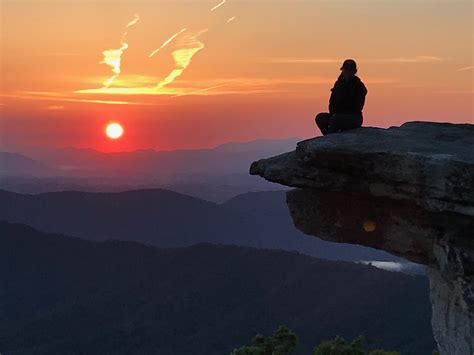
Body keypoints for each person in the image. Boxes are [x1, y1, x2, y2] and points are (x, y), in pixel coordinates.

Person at [315, 59, 368, 135]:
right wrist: (333, 112)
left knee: (336, 119)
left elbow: (357, 107)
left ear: (354, 71)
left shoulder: (359, 86)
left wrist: (340, 112)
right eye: (345, 70)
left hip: (354, 118)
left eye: (350, 70)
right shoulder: (338, 84)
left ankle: (330, 139)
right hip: (337, 116)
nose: (347, 72)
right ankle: (329, 137)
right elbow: (332, 102)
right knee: (320, 118)